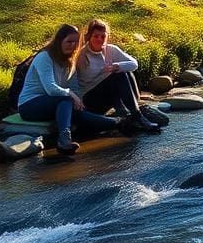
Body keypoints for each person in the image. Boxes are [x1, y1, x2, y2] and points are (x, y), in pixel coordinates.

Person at [17, 24, 124, 154]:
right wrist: (71, 95)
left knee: (76, 111)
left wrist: (79, 101)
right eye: (69, 41)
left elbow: (74, 86)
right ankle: (64, 140)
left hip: (55, 102)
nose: (72, 45)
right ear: (59, 41)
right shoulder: (44, 57)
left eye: (75, 42)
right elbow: (50, 88)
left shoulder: (70, 60)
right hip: (29, 105)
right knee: (66, 99)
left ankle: (119, 123)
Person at [76, 19, 161, 133]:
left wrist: (116, 66)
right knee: (116, 77)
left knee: (125, 71)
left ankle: (131, 113)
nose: (99, 40)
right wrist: (106, 72)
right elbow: (82, 80)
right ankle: (134, 115)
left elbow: (134, 64)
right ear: (89, 36)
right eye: (96, 36)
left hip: (108, 94)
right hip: (90, 99)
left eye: (103, 36)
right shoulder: (81, 55)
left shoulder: (110, 50)